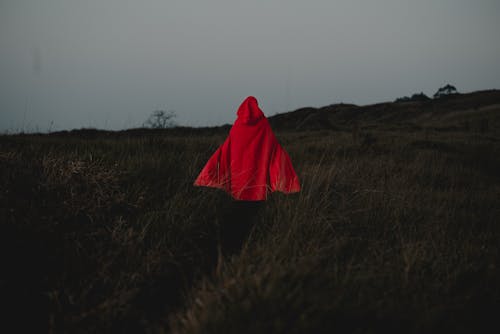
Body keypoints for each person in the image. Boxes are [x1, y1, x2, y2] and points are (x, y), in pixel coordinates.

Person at [194, 96, 300, 200]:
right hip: (259, 189)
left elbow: (227, 148)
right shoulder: (263, 124)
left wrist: (210, 171)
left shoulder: (238, 125)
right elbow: (274, 148)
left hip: (238, 186)